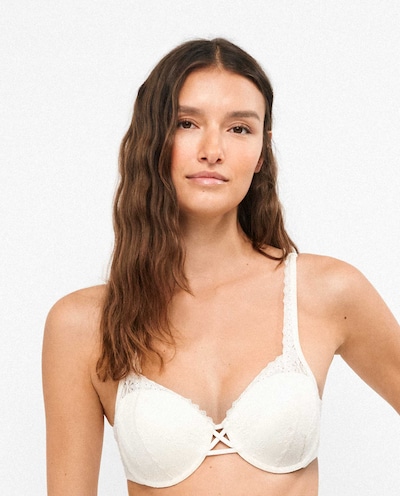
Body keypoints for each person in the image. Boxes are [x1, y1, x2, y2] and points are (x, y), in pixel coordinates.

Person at [42, 38, 400, 496]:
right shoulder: (83, 325)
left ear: (262, 151)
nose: (212, 150)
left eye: (239, 129)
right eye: (187, 123)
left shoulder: (326, 292)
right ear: (152, 139)